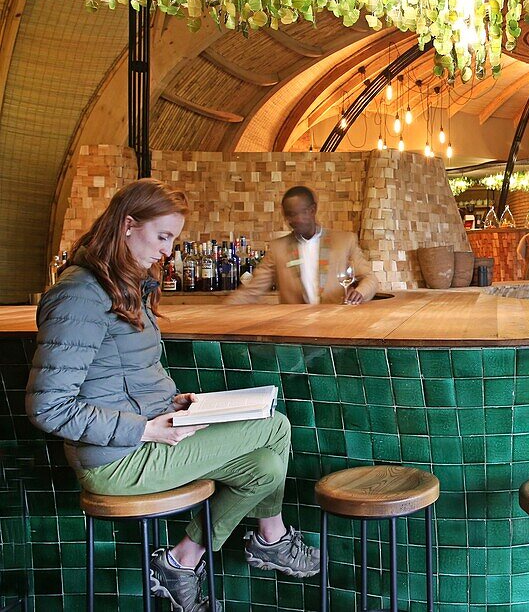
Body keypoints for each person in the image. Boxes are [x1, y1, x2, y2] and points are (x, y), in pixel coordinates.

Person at [26, 179, 319, 612]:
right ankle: (270, 540)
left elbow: (130, 371)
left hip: (142, 439)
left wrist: (175, 402)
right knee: (274, 426)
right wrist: (145, 428)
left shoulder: (122, 283)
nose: (167, 251)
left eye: (173, 240)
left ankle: (182, 561)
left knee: (266, 466)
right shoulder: (79, 295)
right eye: (162, 236)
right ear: (128, 225)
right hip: (116, 460)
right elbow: (48, 407)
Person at [227, 185, 379, 305]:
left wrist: (360, 293)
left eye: (295, 213)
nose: (291, 220)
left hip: (336, 324)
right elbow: (252, 291)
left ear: (312, 210)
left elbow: (370, 279)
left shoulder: (345, 241)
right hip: (296, 330)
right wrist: (218, 311)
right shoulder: (278, 248)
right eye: (288, 215)